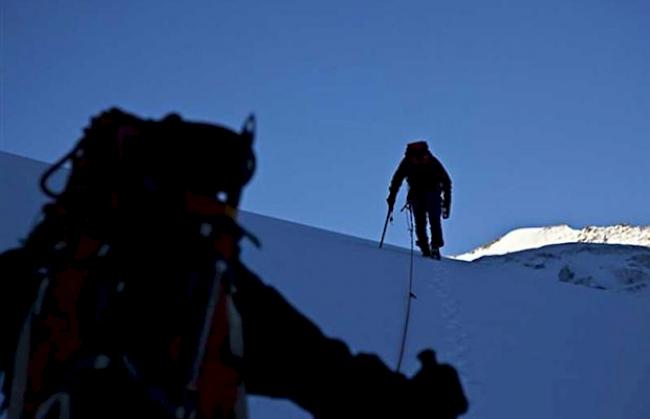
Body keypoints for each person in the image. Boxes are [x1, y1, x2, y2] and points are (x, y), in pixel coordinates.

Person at [0, 109, 468, 418]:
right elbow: (325, 372)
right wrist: (416, 402)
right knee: (426, 223)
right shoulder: (211, 291)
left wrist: (407, 198)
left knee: (428, 221)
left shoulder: (45, 271)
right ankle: (430, 246)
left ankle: (431, 243)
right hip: (419, 199)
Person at [387, 140, 452, 259]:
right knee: (434, 220)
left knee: (420, 223)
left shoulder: (407, 162)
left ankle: (424, 248)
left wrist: (392, 198)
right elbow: (447, 181)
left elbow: (397, 180)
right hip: (433, 193)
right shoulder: (431, 160)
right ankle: (435, 246)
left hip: (416, 196)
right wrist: (447, 204)